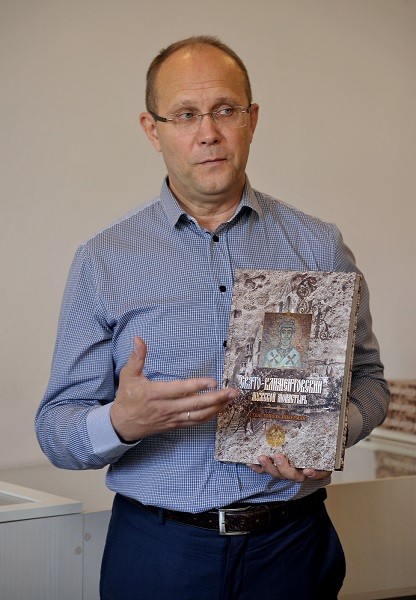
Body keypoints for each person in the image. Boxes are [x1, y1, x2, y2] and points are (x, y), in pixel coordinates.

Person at [35, 35, 390, 600]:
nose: (208, 133)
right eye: (185, 115)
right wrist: (121, 422)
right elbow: (57, 429)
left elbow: (369, 382)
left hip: (292, 551)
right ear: (152, 130)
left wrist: (330, 434)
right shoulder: (103, 260)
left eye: (225, 110)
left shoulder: (318, 246)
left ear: (252, 120)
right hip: (158, 554)